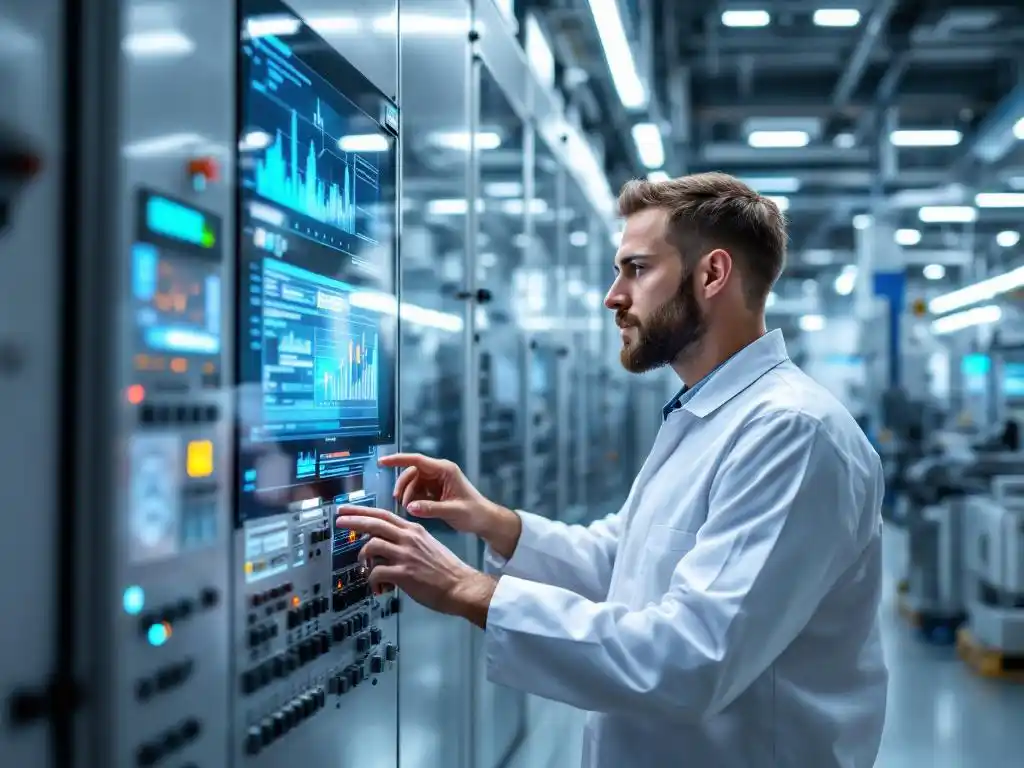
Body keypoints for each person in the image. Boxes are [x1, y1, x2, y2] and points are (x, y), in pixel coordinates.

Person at [337, 172, 888, 767]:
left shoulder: (791, 433)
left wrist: (466, 589)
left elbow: (692, 659)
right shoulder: (708, 413)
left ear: (712, 274)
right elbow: (623, 563)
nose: (613, 295)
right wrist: (494, 522)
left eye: (637, 268)